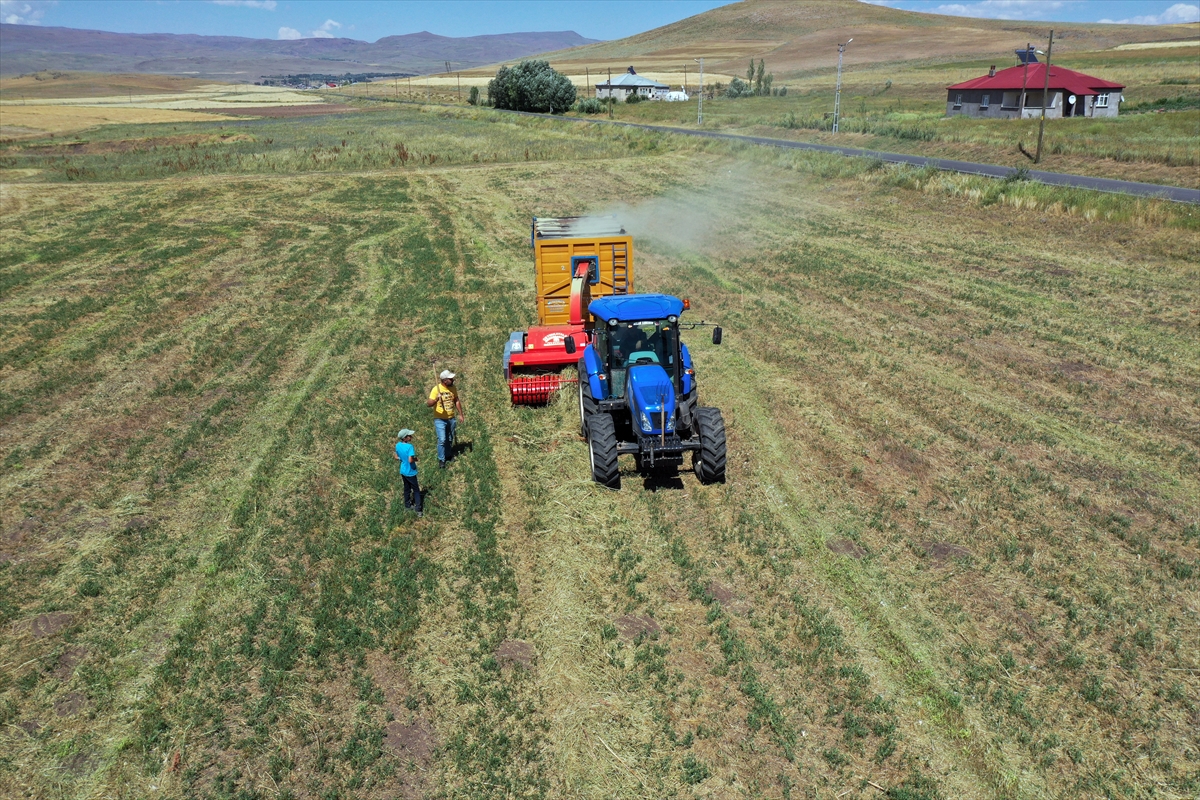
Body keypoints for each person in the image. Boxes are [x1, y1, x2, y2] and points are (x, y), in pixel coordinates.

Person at [427, 369, 464, 468]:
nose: (453, 380)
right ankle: (441, 459)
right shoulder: (436, 389)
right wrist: (436, 399)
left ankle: (448, 455)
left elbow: (456, 400)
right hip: (440, 419)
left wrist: (461, 414)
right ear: (445, 380)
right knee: (442, 439)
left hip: (451, 418)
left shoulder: (453, 388)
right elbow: (429, 404)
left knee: (450, 438)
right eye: (451, 379)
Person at [394, 429, 422, 516]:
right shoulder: (410, 447)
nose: (411, 437)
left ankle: (407, 505)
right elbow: (410, 460)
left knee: (407, 488)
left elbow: (396, 456)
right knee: (416, 490)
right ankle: (418, 509)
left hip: (403, 471)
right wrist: (415, 459)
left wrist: (401, 458)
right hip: (411, 472)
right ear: (405, 438)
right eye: (409, 436)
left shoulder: (398, 445)